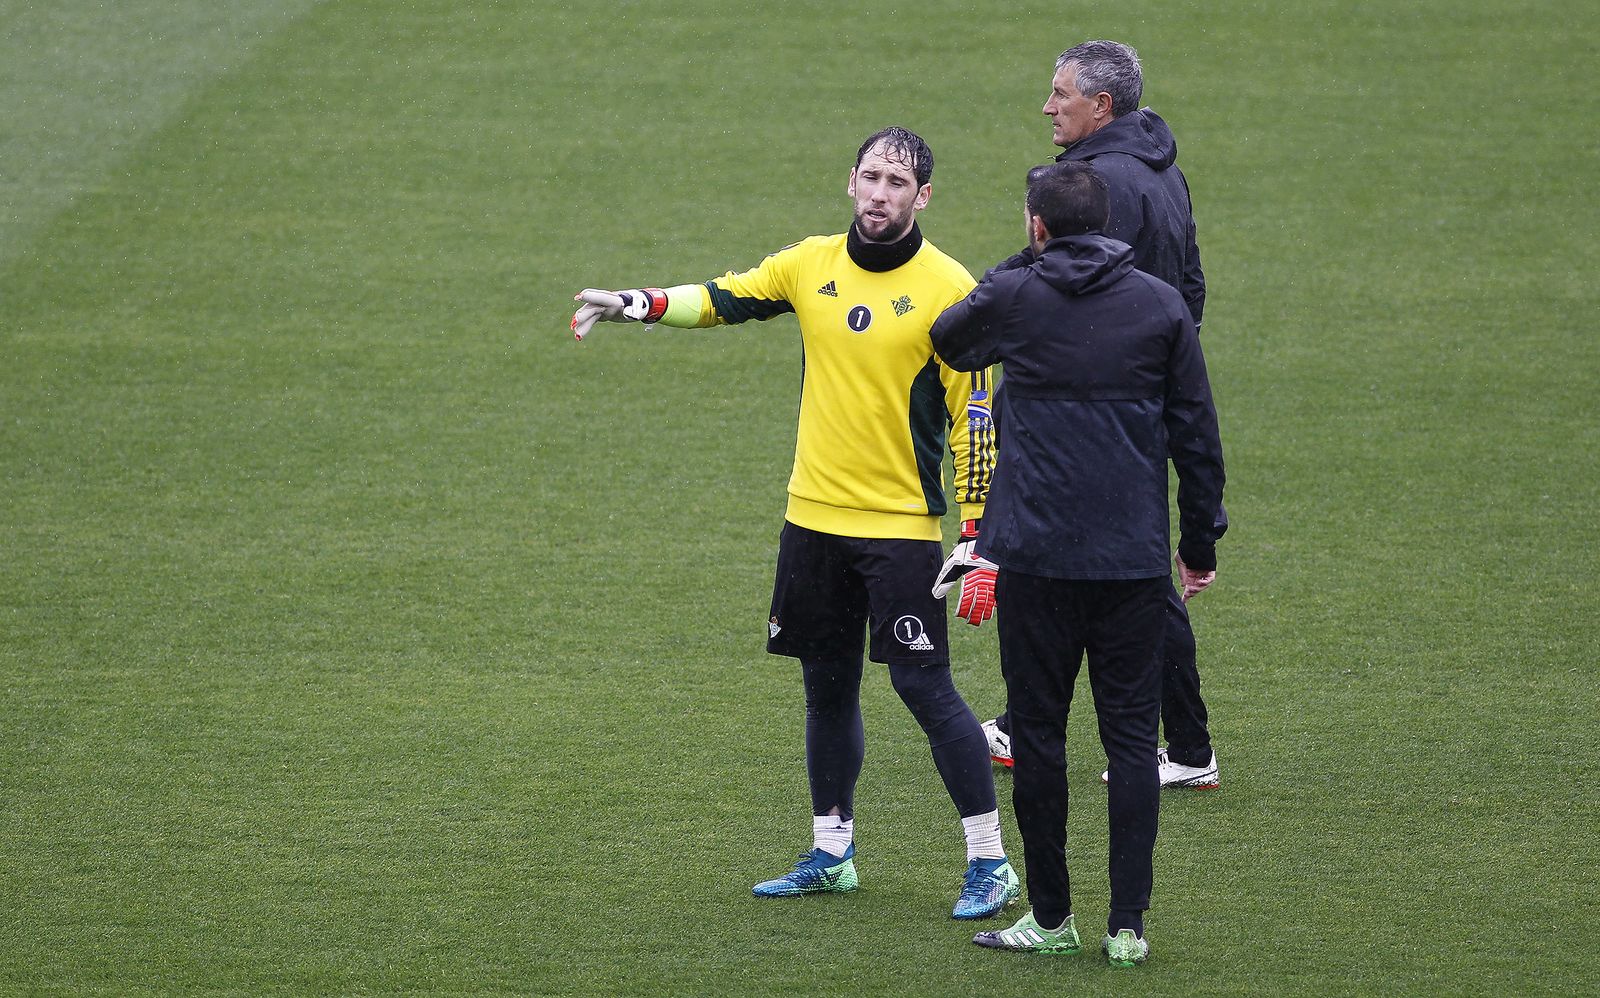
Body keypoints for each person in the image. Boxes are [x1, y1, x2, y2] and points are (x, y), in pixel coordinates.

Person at [569, 127, 1019, 921]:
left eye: (899, 182)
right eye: (872, 177)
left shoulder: (953, 289)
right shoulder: (811, 263)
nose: (882, 193)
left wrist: (977, 532)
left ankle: (991, 861)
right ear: (850, 182)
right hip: (811, 521)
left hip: (901, 529)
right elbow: (723, 297)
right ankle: (831, 851)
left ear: (924, 197)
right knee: (826, 687)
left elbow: (974, 415)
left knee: (924, 688)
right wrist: (636, 304)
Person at [931, 160, 1226, 966]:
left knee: (1040, 736)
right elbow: (1198, 436)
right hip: (1131, 565)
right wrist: (1198, 543)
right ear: (1110, 225)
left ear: (1036, 224)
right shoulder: (1161, 305)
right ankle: (1127, 926)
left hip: (1036, 559)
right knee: (1132, 744)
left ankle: (1052, 916)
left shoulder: (1018, 293)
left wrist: (1023, 264)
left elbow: (948, 341)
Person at [981, 40, 1221, 791]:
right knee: (1127, 575)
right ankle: (1183, 747)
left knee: (1093, 573)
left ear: (1102, 107)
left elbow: (1064, 284)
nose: (1049, 106)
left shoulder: (1094, 183)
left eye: (1061, 94)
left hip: (1088, 408)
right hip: (1134, 400)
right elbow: (1189, 286)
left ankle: (1044, 728)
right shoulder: (1163, 170)